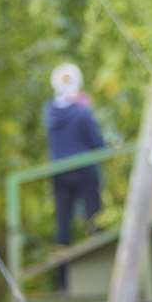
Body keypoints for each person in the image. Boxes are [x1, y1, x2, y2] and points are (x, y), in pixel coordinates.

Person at [44, 63, 105, 253]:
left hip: (59, 173)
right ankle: (99, 253)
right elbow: (97, 143)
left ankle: (62, 278)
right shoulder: (82, 112)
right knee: (93, 216)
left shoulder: (49, 112)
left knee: (63, 224)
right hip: (84, 171)